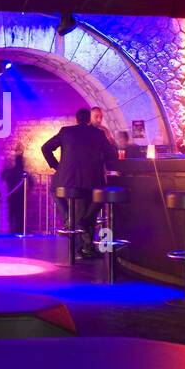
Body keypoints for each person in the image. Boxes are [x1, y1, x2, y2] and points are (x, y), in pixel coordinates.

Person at [42, 107, 117, 259]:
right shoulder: (99, 134)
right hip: (91, 182)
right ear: (89, 119)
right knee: (93, 204)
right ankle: (83, 227)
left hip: (64, 182)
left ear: (77, 119)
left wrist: (57, 166)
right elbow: (112, 155)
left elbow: (45, 148)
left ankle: (70, 220)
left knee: (55, 192)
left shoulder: (65, 132)